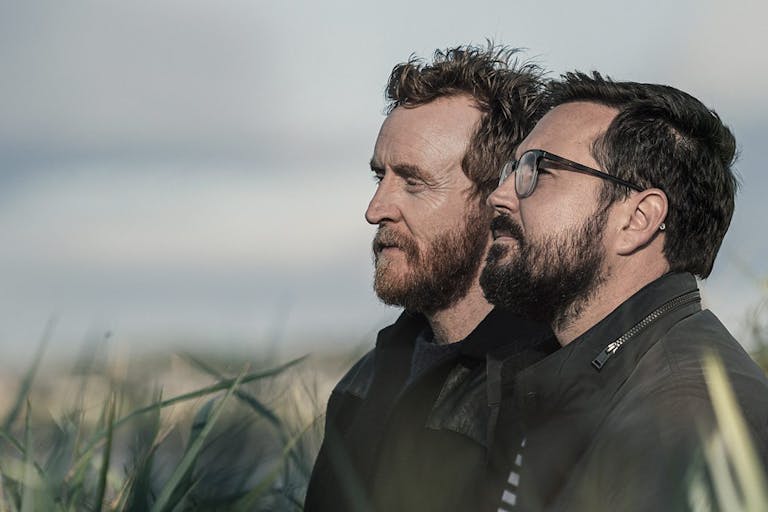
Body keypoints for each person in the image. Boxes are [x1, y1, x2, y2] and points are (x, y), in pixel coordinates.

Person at [480, 72, 768, 511]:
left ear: (637, 220)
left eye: (536, 169)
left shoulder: (682, 421)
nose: (499, 196)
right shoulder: (598, 380)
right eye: (511, 169)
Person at [304, 44, 557, 512]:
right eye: (379, 176)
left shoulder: (546, 390)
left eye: (413, 182)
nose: (375, 209)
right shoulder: (368, 377)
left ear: (500, 198)